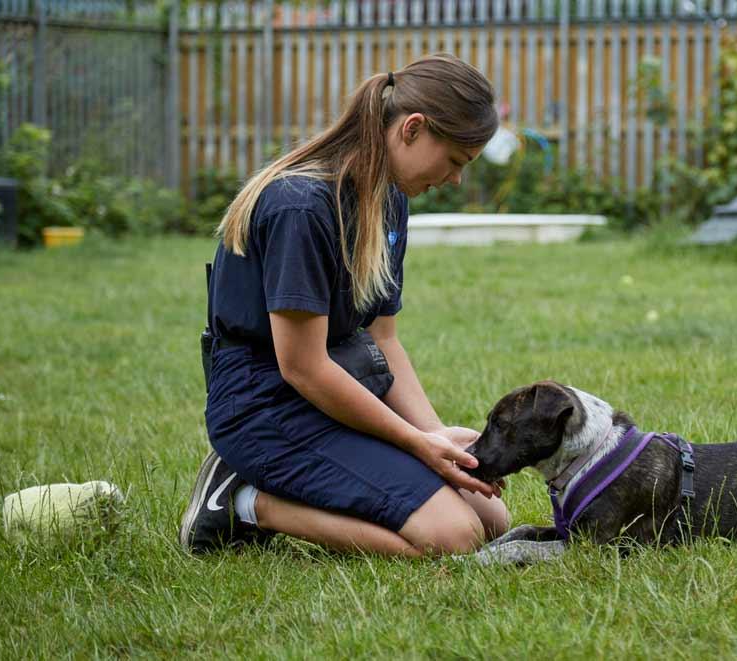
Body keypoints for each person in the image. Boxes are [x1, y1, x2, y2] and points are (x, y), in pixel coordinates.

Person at [178, 53, 509, 557]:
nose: (455, 180)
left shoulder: (388, 198)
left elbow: (382, 338)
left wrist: (433, 433)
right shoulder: (300, 207)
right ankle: (241, 501)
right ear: (412, 129)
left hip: (342, 390)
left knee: (492, 519)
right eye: (456, 161)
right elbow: (303, 368)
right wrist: (415, 445)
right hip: (267, 409)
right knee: (454, 538)